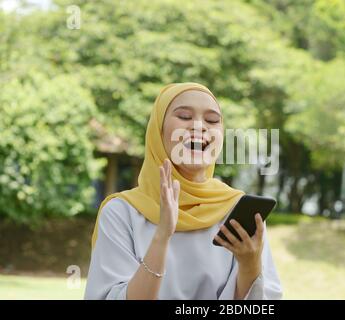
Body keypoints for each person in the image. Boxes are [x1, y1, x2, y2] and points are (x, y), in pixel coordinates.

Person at [84, 82, 283, 300]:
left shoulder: (237, 212)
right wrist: (162, 234)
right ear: (158, 131)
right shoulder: (122, 213)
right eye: (184, 117)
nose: (199, 126)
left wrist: (249, 264)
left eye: (212, 120)